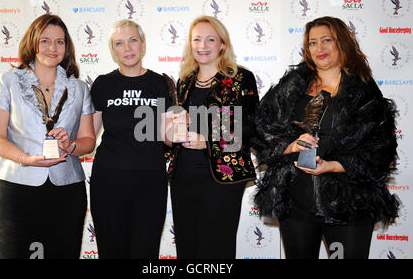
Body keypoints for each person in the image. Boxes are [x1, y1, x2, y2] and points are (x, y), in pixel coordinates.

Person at [253, 16, 400, 259]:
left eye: (326, 40)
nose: (319, 48)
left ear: (341, 43)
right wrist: (288, 146)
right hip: (297, 204)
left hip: (348, 205)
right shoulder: (294, 84)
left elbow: (380, 148)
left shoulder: (362, 90)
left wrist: (333, 165)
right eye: (312, 43)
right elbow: (261, 124)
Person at [0, 14, 96, 259]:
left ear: (67, 47)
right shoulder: (8, 81)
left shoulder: (78, 87)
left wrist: (71, 145)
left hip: (67, 191)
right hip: (18, 187)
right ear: (32, 42)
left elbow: (88, 140)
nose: (52, 48)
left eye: (60, 42)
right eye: (45, 41)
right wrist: (26, 158)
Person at [163, 16, 259, 259]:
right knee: (187, 248)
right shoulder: (184, 82)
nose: (202, 46)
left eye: (210, 39)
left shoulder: (240, 79)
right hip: (183, 177)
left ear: (222, 44)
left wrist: (207, 141)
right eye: (196, 39)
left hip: (222, 180)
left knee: (216, 251)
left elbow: (251, 127)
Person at [89, 19, 170, 259]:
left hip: (151, 182)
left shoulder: (160, 83)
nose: (127, 48)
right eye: (119, 43)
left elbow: (168, 139)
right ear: (113, 51)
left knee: (146, 253)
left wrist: (183, 126)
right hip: (108, 182)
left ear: (143, 45)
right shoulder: (103, 84)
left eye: (133, 40)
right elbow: (89, 137)